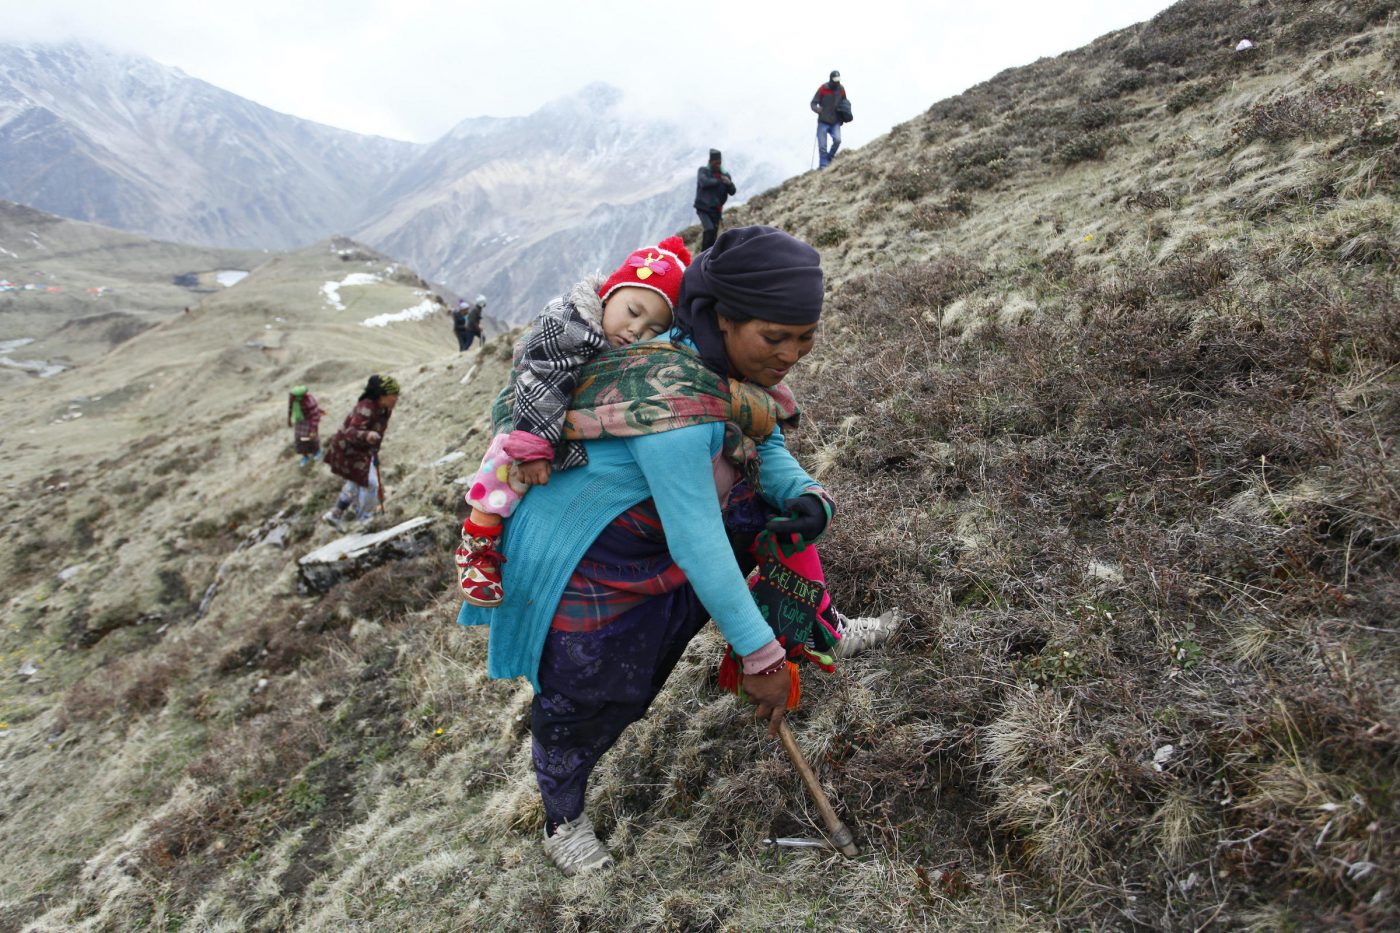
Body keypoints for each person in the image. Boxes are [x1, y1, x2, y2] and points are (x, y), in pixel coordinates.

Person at [456, 226, 898, 876]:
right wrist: (760, 655)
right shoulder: (670, 400)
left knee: (765, 514)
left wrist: (799, 490)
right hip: (590, 563)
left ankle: (817, 624)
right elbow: (698, 541)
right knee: (588, 697)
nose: (791, 355)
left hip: (661, 535)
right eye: (775, 338)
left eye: (804, 338)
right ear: (720, 318)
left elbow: (760, 433)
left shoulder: (718, 364)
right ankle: (563, 814)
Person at [454, 238, 690, 607]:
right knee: (505, 457)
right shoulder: (568, 322)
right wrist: (534, 447)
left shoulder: (623, 342)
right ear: (609, 294)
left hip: (563, 411)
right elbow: (543, 381)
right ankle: (477, 545)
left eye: (652, 327)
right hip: (531, 401)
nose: (636, 330)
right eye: (632, 311)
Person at [322, 374, 400, 529]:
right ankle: (365, 518)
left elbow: (379, 432)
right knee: (369, 483)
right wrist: (368, 435)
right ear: (382, 395)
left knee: (356, 481)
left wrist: (374, 451)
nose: (396, 399)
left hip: (362, 451)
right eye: (393, 395)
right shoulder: (366, 407)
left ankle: (335, 514)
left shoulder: (384, 410)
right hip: (348, 450)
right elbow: (351, 432)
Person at [693, 149, 736, 252]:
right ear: (710, 162)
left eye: (719, 163)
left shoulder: (725, 175)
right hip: (703, 208)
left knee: (713, 236)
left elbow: (732, 191)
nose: (718, 165)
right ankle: (702, 256)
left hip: (716, 210)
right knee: (709, 230)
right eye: (716, 163)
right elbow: (704, 182)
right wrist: (719, 180)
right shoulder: (703, 171)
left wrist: (729, 183)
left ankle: (710, 257)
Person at [811, 70, 848, 169]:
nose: (837, 81)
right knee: (822, 146)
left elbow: (845, 102)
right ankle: (823, 166)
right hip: (823, 121)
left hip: (835, 121)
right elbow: (813, 103)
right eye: (835, 79)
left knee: (837, 140)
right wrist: (818, 110)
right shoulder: (823, 88)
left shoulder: (841, 89)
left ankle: (829, 158)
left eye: (838, 79)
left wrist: (845, 113)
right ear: (831, 78)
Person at [287, 385, 323, 467]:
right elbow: (290, 408)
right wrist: (289, 420)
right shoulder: (293, 400)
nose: (291, 396)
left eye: (292, 395)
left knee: (311, 438)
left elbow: (315, 415)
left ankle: (317, 451)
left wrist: (313, 429)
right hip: (300, 420)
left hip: (310, 421)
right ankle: (305, 456)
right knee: (300, 439)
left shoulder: (309, 401)